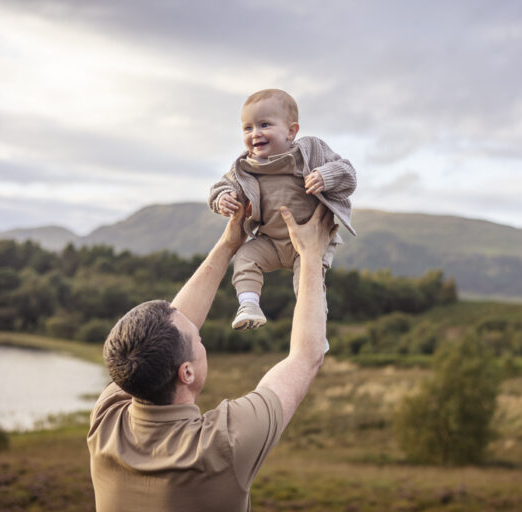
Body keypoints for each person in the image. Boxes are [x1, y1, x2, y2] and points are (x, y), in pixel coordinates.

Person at [87, 203, 338, 512]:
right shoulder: (223, 444)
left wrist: (229, 243)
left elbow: (170, 333)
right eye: (198, 339)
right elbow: (307, 356)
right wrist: (311, 256)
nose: (198, 332)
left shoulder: (107, 419)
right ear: (187, 373)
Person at [209, 89, 356, 331]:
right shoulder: (246, 167)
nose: (255, 133)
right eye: (247, 128)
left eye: (264, 124)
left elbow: (347, 173)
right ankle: (249, 305)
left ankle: (316, 329)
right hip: (271, 242)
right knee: (245, 256)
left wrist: (325, 176)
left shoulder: (310, 152)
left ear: (291, 131)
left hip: (310, 243)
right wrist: (223, 198)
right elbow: (223, 186)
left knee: (308, 284)